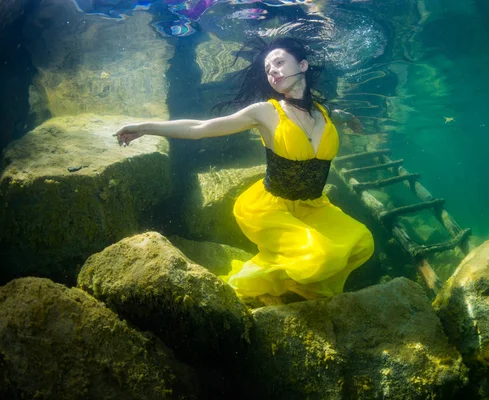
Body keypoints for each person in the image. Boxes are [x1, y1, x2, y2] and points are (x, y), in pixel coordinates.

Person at [115, 37, 374, 304]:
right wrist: (144, 127)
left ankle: (291, 285)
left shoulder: (325, 113)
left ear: (303, 65)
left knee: (362, 242)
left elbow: (338, 114)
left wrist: (351, 119)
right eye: (268, 68)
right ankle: (250, 280)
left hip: (314, 206)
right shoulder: (265, 112)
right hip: (271, 207)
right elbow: (200, 128)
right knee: (320, 256)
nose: (272, 70)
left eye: (279, 62)